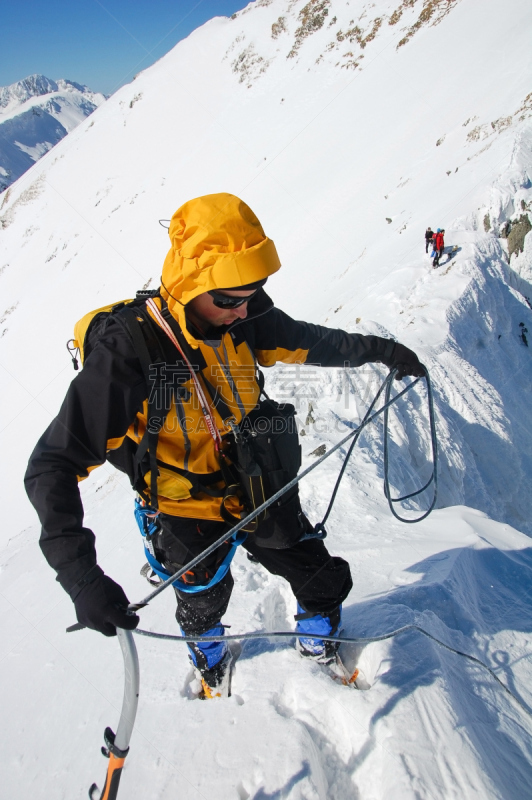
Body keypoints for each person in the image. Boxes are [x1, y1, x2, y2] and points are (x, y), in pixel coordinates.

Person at [25, 193, 424, 698]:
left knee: (319, 576)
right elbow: (51, 465)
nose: (242, 310)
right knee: (202, 597)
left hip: (256, 484)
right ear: (193, 286)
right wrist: (82, 579)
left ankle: (317, 639)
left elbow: (313, 341)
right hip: (183, 505)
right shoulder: (132, 351)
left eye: (252, 294)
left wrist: (386, 352)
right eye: (230, 299)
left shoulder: (246, 317)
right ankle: (210, 660)